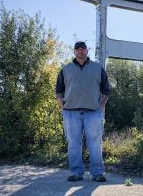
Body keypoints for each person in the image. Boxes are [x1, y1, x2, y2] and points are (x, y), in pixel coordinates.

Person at [55, 41, 110, 182]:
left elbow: (106, 90)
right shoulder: (65, 69)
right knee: (73, 143)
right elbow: (59, 91)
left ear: (87, 51)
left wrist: (101, 106)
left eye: (83, 49)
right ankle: (76, 172)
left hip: (93, 112)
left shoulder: (98, 68)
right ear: (74, 51)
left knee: (95, 143)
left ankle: (97, 173)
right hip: (71, 112)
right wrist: (62, 107)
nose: (80, 52)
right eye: (78, 49)